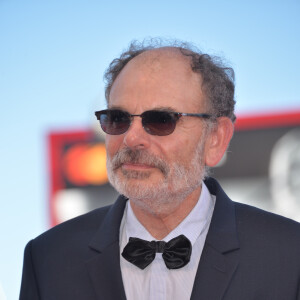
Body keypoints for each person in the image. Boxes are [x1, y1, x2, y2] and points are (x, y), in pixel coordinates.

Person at [20, 40, 300, 300]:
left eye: (161, 120)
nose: (132, 138)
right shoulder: (48, 258)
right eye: (118, 119)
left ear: (215, 139)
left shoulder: (290, 254)